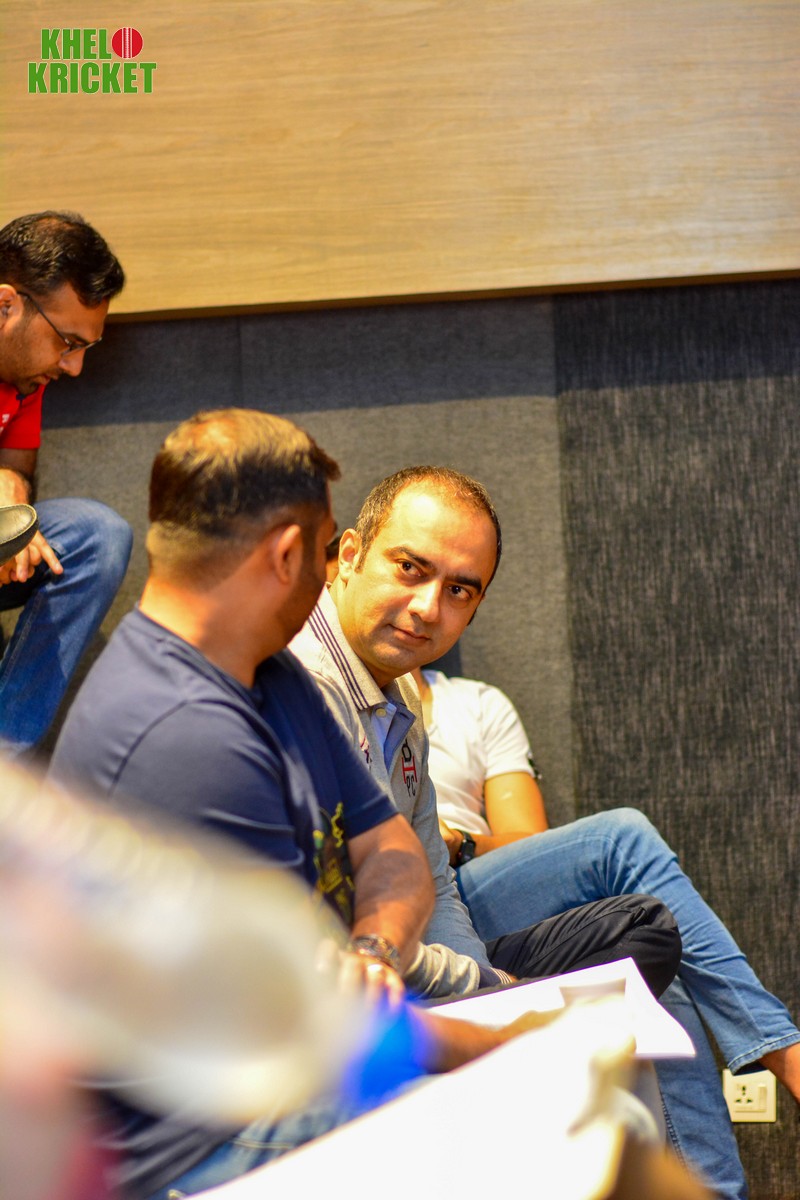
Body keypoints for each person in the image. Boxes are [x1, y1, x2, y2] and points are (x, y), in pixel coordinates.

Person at [50, 410, 677, 1200]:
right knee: (599, 1123)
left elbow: (393, 849)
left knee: (604, 1082)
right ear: (293, 555)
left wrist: (376, 954)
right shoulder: (185, 734)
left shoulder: (263, 671)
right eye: (325, 549)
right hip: (209, 1141)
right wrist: (504, 1039)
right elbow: (308, 1024)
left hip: (289, 1062)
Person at [293, 465, 800, 1200]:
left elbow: (441, 874)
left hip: (445, 926)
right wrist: (486, 999)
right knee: (623, 845)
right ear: (348, 556)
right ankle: (781, 1062)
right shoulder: (299, 686)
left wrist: (485, 996)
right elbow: (340, 928)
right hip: (345, 984)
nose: (428, 607)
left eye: (460, 590)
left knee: (652, 950)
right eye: (410, 568)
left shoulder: (417, 702)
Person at [0, 211, 133, 758]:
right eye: (67, 341)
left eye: (84, 349)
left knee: (97, 535)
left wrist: (10, 500)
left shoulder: (24, 376)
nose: (73, 367)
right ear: (6, 305)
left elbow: (16, 465)